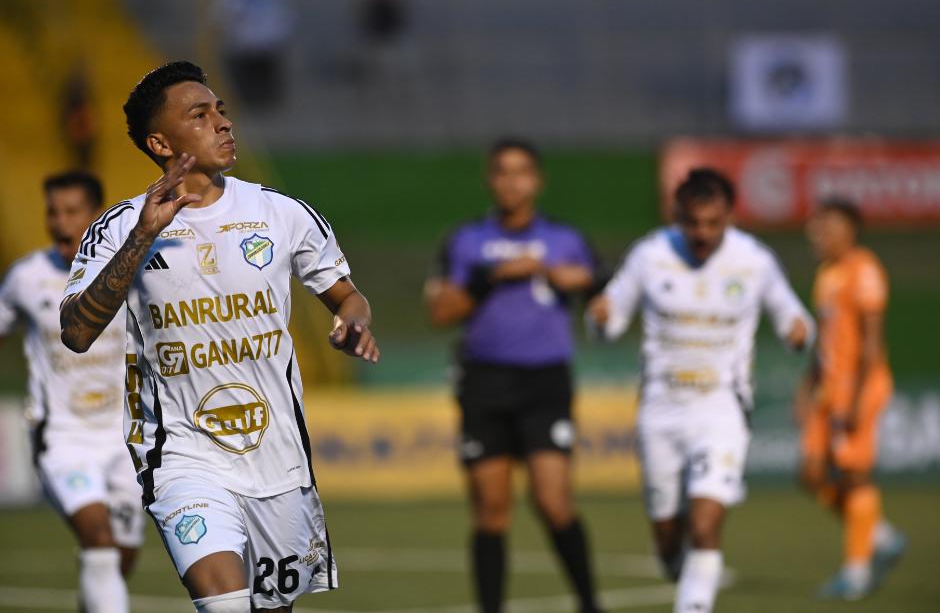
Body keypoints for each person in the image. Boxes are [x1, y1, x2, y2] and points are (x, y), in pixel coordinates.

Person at [59, 61, 379, 613]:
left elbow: (348, 295)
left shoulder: (281, 213)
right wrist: (142, 238)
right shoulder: (118, 227)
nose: (223, 123)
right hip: (182, 453)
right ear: (160, 142)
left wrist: (354, 320)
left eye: (221, 111)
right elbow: (78, 331)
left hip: (277, 457)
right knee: (225, 602)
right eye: (200, 115)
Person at [587, 168, 813, 613]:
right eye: (693, 223)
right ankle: (675, 562)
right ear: (678, 215)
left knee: (706, 525)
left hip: (721, 407)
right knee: (669, 535)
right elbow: (610, 321)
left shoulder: (754, 260)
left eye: (713, 223)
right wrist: (599, 317)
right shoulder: (650, 255)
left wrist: (799, 332)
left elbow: (793, 318)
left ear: (730, 215)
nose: (702, 234)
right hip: (660, 406)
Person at [424, 138, 603, 613]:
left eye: (521, 171)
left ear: (538, 180)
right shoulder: (466, 241)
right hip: (484, 383)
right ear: (489, 179)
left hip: (545, 382)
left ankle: (589, 602)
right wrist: (493, 277)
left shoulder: (566, 240)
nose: (511, 181)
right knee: (491, 510)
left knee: (554, 502)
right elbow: (441, 311)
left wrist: (588, 282)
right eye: (502, 171)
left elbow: (607, 299)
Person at [0, 170, 144, 613]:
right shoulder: (27, 277)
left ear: (97, 217)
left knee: (119, 558)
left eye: (71, 212)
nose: (60, 222)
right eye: (53, 212)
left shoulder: (133, 272)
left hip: (127, 439)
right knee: (98, 540)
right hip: (63, 438)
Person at [797, 198, 906, 600]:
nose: (819, 234)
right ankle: (880, 534)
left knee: (853, 476)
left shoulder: (865, 270)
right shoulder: (827, 274)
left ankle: (856, 572)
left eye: (828, 227)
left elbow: (871, 342)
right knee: (809, 474)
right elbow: (824, 342)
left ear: (850, 231)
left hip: (856, 389)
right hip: (828, 390)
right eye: (818, 226)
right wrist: (806, 387)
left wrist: (858, 400)